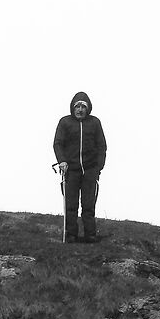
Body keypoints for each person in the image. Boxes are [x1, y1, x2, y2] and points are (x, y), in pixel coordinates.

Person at [51, 91, 107, 243]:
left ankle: (90, 235)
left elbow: (102, 146)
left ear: (88, 108)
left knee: (88, 205)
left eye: (83, 107)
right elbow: (58, 143)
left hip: (90, 170)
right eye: (77, 106)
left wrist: (98, 167)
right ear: (73, 108)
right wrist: (62, 161)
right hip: (71, 171)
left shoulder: (95, 123)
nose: (80, 110)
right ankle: (71, 235)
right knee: (71, 205)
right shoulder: (65, 122)